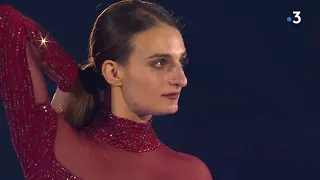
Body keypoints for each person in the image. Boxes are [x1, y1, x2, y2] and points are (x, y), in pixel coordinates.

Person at [0, 0, 212, 179]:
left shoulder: (190, 173)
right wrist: (72, 79)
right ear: (113, 72)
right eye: (160, 63)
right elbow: (8, 23)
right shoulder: (50, 143)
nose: (181, 79)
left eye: (180, 62)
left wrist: (70, 79)